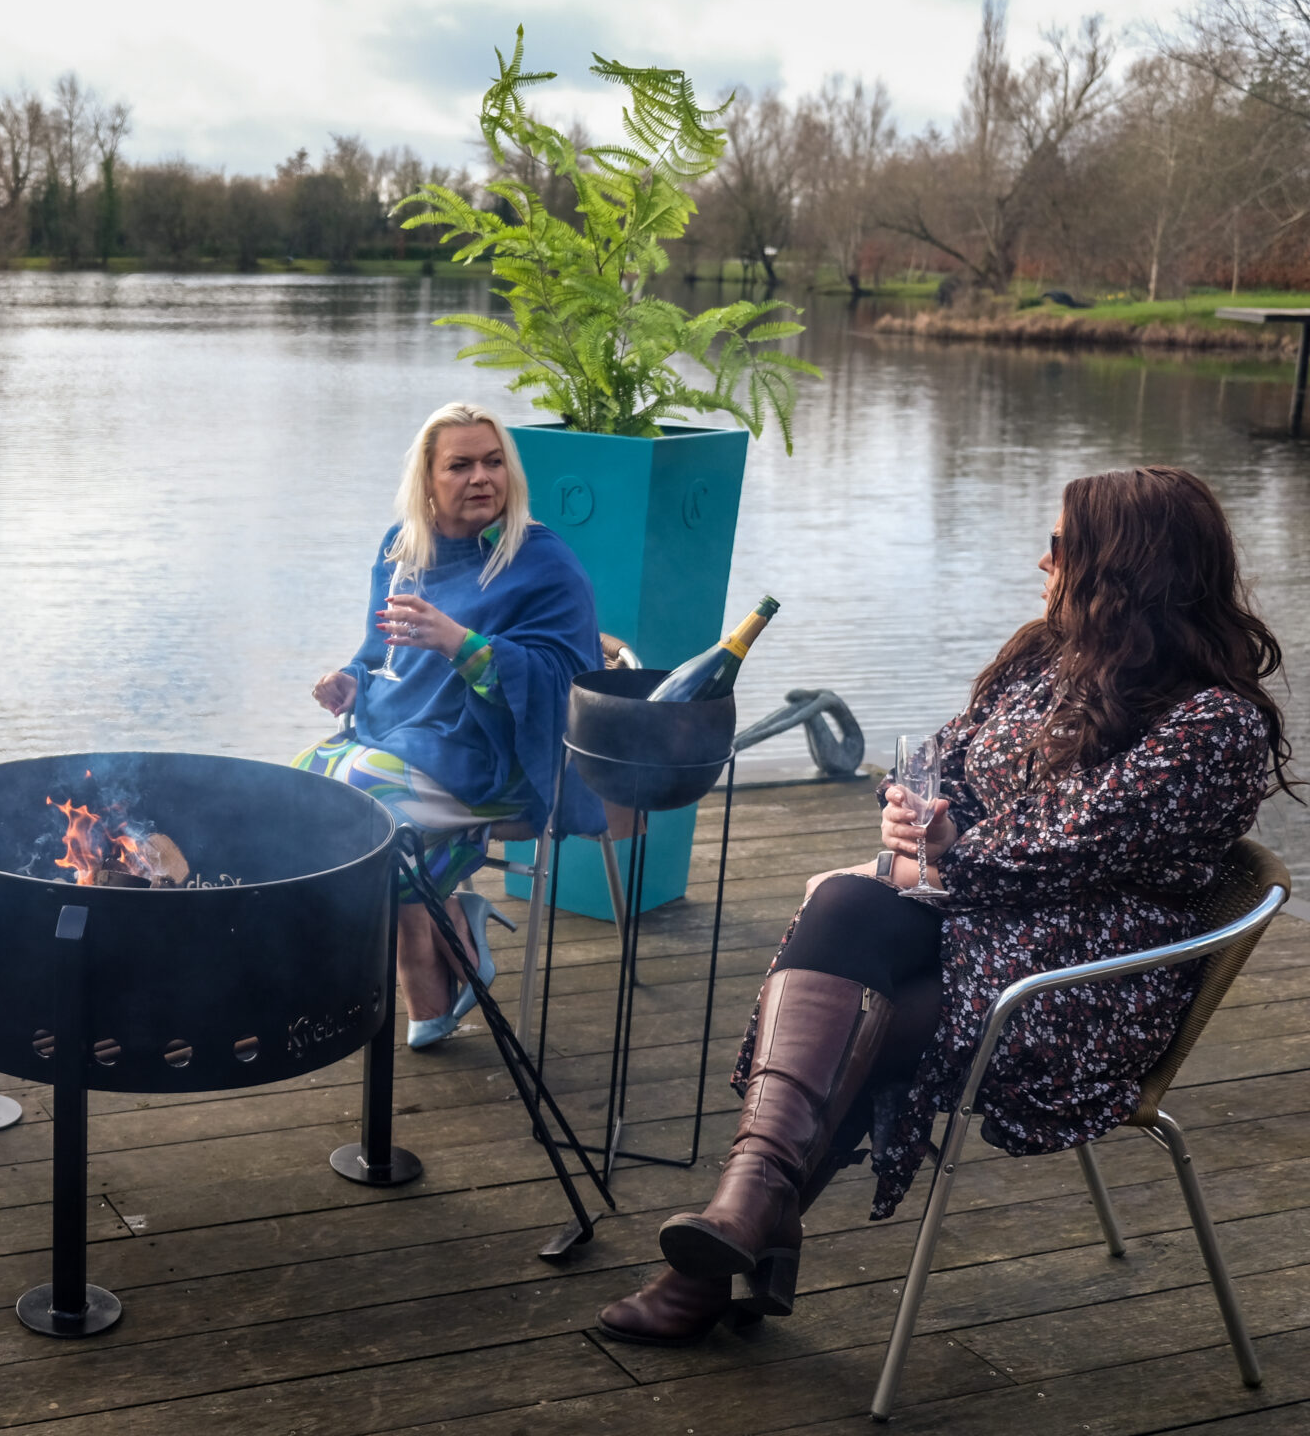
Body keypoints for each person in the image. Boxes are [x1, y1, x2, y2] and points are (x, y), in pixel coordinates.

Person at [600, 465, 1294, 1345]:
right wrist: (914, 809)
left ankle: (739, 1229)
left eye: (1059, 548)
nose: (1042, 564)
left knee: (857, 993)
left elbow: (1071, 848)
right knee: (851, 923)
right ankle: (749, 1212)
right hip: (977, 924)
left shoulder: (1212, 724)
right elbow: (944, 757)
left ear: (1126, 568)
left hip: (1082, 984)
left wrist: (934, 855)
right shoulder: (1048, 654)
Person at [299, 402, 604, 1048]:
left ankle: (419, 962)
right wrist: (349, 679)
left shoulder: (542, 563)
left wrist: (461, 644)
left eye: (493, 463)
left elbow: (564, 689)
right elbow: (379, 652)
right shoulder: (401, 548)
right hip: (396, 738)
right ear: (428, 480)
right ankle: (446, 932)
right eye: (460, 465)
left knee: (368, 801)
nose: (480, 478)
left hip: (495, 758)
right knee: (303, 787)